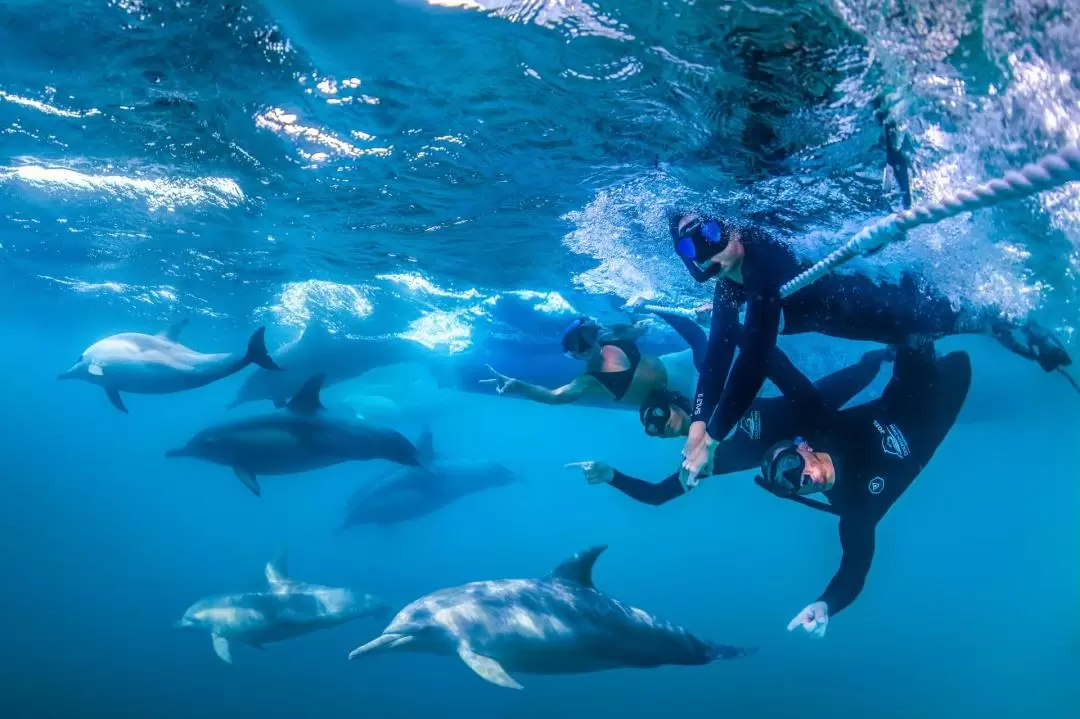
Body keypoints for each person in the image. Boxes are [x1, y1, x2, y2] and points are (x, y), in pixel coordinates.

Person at [576, 339, 972, 638]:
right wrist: (826, 604)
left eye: (794, 469)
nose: (802, 479)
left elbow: (761, 357)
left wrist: (737, 314)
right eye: (791, 485)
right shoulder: (854, 508)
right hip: (942, 403)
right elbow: (853, 570)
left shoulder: (811, 426)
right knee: (954, 360)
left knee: (908, 333)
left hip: (866, 400)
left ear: (803, 448)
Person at [669, 210, 1073, 484]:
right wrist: (699, 425)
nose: (709, 248)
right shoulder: (729, 284)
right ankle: (1017, 333)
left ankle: (1032, 334)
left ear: (728, 225)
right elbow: (719, 354)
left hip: (888, 308)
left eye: (710, 234)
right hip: (871, 326)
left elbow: (755, 359)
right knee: (933, 333)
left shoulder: (762, 261)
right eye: (693, 248)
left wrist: (716, 437)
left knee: (969, 319)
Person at [566, 347, 890, 503]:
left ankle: (893, 351)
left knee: (867, 369)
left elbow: (719, 351)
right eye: (652, 429)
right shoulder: (701, 462)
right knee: (883, 419)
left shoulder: (709, 399)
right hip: (822, 445)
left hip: (809, 405)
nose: (658, 427)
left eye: (659, 415)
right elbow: (656, 495)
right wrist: (611, 475)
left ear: (676, 402)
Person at [481, 312, 705, 408]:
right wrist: (519, 386)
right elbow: (554, 396)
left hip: (676, 363)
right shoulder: (589, 380)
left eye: (586, 338)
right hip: (682, 393)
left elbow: (640, 328)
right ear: (575, 356)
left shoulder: (613, 337)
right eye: (578, 348)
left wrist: (636, 324)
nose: (586, 347)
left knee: (721, 346)